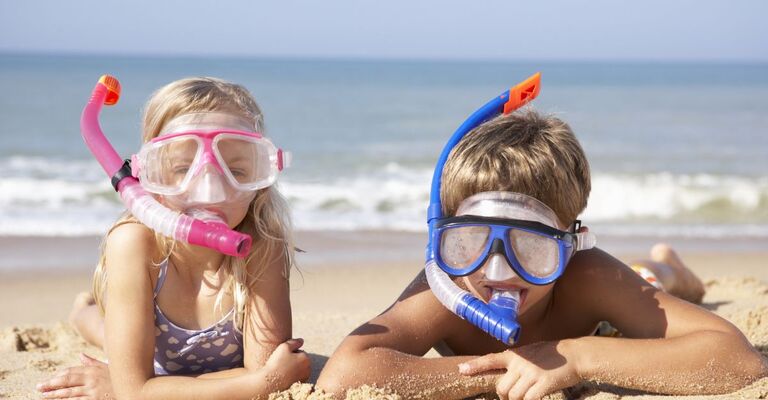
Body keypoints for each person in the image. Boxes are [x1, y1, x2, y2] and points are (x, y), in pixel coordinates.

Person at [316, 108, 766, 399]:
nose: (496, 269)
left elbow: (739, 361)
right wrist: (509, 372)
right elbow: (344, 376)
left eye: (530, 247)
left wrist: (578, 357)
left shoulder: (585, 274)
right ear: (444, 238)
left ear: (571, 246)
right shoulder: (449, 284)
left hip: (609, 320)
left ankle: (672, 268)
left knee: (648, 279)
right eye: (470, 241)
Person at [37, 77, 310, 399]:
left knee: (116, 337)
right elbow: (264, 379)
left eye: (236, 171)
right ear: (149, 175)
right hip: (148, 346)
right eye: (183, 168)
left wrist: (140, 388)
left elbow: (264, 368)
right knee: (102, 327)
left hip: (158, 369)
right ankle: (83, 311)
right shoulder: (135, 244)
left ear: (261, 175)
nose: (210, 191)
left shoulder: (262, 247)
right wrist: (255, 385)